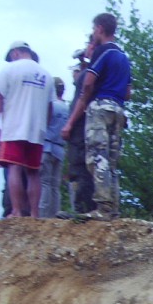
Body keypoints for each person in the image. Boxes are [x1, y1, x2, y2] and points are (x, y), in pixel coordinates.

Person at [62, 13, 131, 220]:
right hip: (118, 109)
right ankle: (113, 209)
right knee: (111, 160)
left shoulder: (104, 51)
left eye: (94, 29)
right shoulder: (123, 57)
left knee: (96, 157)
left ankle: (102, 208)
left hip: (100, 107)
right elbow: (129, 92)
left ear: (100, 28)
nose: (93, 33)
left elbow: (88, 82)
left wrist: (83, 101)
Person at [0, 41, 52, 218]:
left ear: (15, 53)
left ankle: (16, 211)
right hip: (37, 130)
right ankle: (34, 214)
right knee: (33, 172)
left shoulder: (9, 70)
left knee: (14, 168)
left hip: (15, 127)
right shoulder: (46, 75)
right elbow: (50, 107)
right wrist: (44, 127)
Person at [63, 40, 96, 214]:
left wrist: (69, 124)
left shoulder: (90, 75)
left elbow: (82, 101)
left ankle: (82, 209)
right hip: (88, 126)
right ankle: (85, 207)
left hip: (81, 128)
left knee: (80, 167)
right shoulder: (96, 72)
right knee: (88, 166)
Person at [39, 77, 69, 217]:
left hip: (47, 147)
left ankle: (43, 215)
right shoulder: (68, 108)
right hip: (61, 149)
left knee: (45, 182)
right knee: (55, 185)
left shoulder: (50, 106)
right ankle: (55, 214)